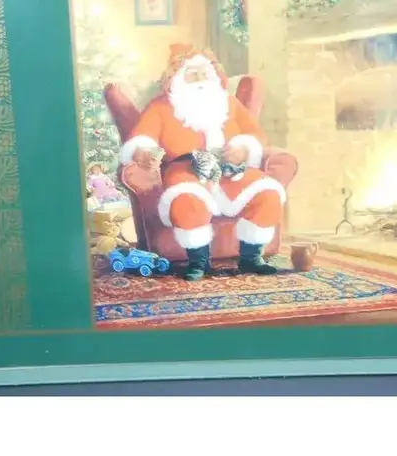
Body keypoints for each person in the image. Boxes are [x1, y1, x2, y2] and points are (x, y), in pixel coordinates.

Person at [119, 43, 285, 281]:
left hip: (231, 170)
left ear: (214, 75)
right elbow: (141, 138)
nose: (200, 79)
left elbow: (255, 134)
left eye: (204, 73)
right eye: (192, 74)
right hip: (187, 169)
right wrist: (143, 153)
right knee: (186, 201)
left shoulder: (230, 103)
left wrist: (243, 148)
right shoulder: (160, 107)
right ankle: (199, 261)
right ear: (176, 78)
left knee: (267, 192)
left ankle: (251, 257)